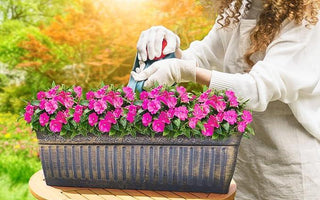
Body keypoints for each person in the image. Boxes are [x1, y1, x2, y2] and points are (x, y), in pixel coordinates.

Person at [131, 0, 320, 199]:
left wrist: (182, 70)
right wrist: (167, 46)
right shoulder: (240, 8)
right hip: (244, 168)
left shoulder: (307, 19)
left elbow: (257, 89)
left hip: (289, 175)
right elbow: (200, 58)